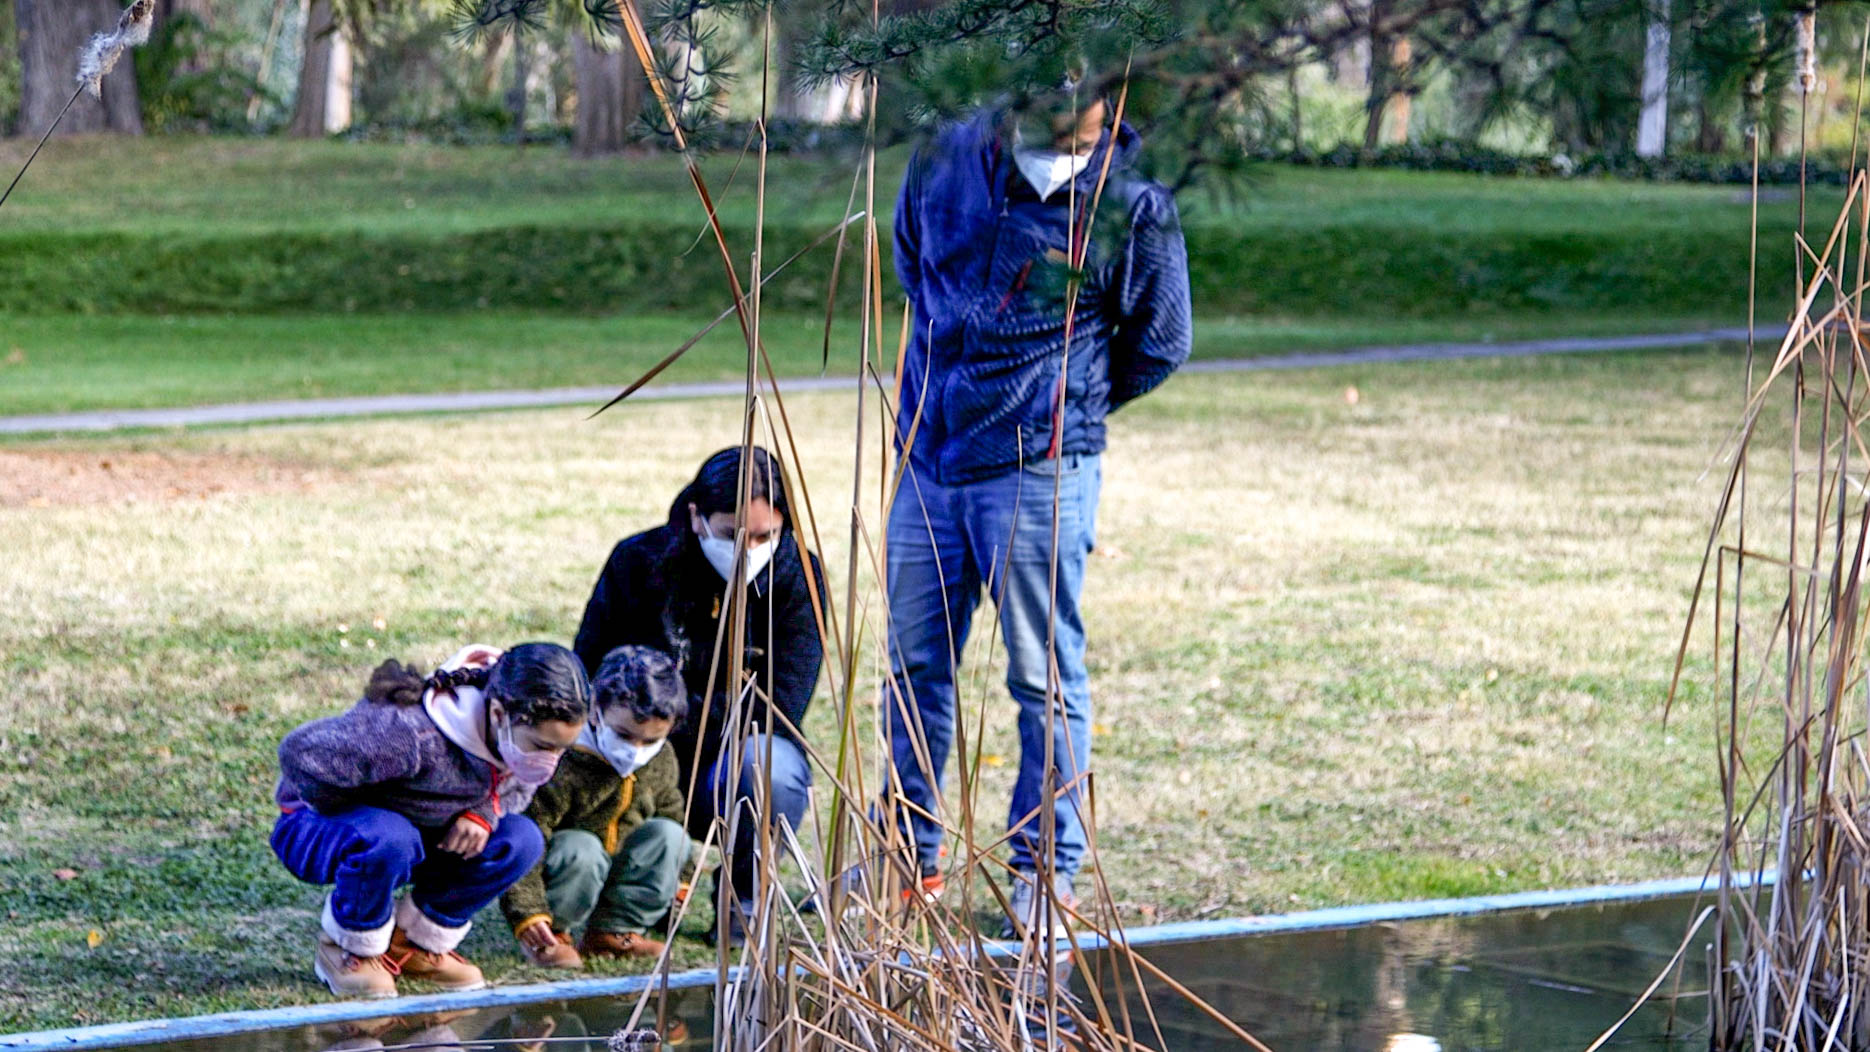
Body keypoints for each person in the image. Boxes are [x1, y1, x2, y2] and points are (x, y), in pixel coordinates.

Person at [886, 77, 1193, 935]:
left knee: (1042, 680)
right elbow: (914, 273)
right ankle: (906, 863)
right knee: (913, 674)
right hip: (925, 458)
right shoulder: (942, 159)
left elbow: (1159, 343)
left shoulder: (1133, 206)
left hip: (1041, 468)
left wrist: (1068, 408)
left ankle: (1044, 872)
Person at [573, 445, 826, 945]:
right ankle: (632, 895)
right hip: (643, 752)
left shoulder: (801, 581)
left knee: (769, 762)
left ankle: (744, 903)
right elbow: (591, 667)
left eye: (765, 537)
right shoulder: (638, 564)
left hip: (730, 763)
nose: (749, 550)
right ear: (696, 517)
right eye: (733, 536)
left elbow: (784, 708)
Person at [272, 642, 590, 998]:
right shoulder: (411, 735)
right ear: (499, 714)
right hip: (316, 825)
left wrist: (482, 813)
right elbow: (298, 751)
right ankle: (347, 946)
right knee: (390, 837)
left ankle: (413, 943)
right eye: (543, 746)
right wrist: (360, 814)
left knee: (521, 840)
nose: (552, 759)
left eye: (562, 748)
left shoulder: (515, 738)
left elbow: (512, 794)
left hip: (413, 835)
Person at [502, 645, 693, 968]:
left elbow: (673, 813)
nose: (636, 750)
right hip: (568, 866)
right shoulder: (562, 760)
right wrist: (528, 912)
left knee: (671, 836)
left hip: (620, 867)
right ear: (595, 710)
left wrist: (682, 878)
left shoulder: (662, 759)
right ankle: (552, 935)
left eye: (650, 741)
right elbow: (529, 835)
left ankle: (614, 931)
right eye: (624, 734)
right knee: (582, 848)